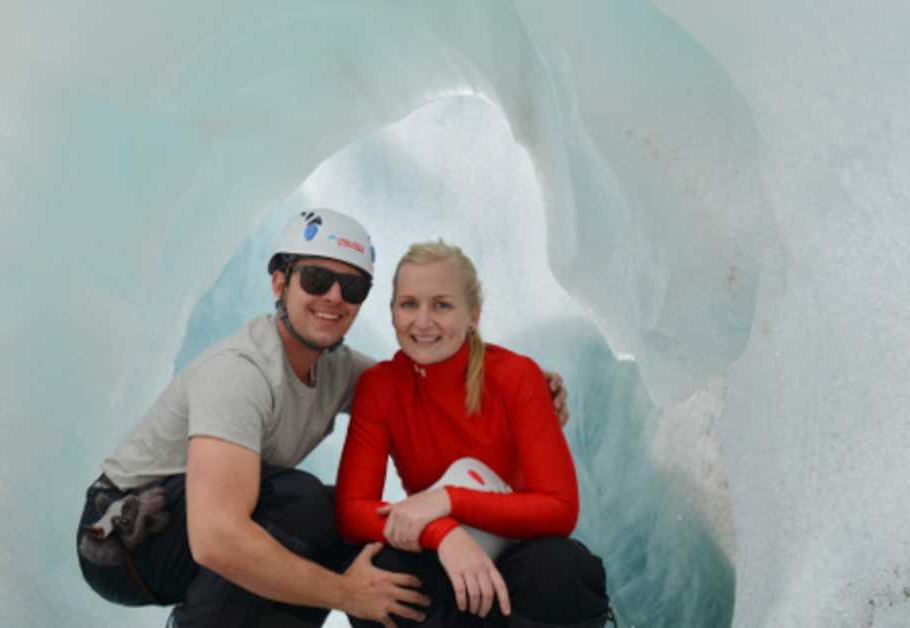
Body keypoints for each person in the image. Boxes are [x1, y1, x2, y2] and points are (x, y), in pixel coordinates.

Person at [78, 211, 570, 628]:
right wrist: (345, 594)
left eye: (351, 286)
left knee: (354, 528)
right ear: (279, 283)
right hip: (123, 539)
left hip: (199, 522)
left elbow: (426, 384)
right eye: (316, 279)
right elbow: (216, 538)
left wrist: (525, 386)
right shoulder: (240, 373)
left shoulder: (337, 368)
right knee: (302, 507)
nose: (333, 296)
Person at [335, 240, 611, 628]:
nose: (423, 322)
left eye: (441, 305)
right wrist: (444, 532)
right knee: (384, 573)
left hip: (521, 557)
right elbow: (351, 512)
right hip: (444, 560)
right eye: (409, 304)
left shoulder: (516, 377)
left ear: (473, 315)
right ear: (393, 313)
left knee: (562, 569)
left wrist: (448, 499)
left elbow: (560, 509)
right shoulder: (380, 387)